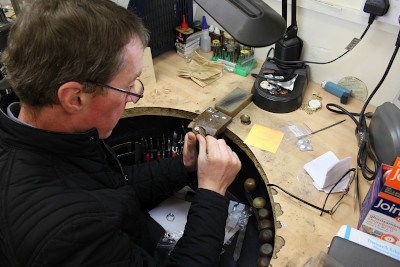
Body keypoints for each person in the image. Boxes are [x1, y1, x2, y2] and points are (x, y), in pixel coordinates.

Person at [0, 0, 242, 266]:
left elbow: (112, 188)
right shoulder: (65, 234)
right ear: (75, 98)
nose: (136, 96)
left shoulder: (51, 138)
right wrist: (212, 192)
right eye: (128, 87)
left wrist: (183, 166)